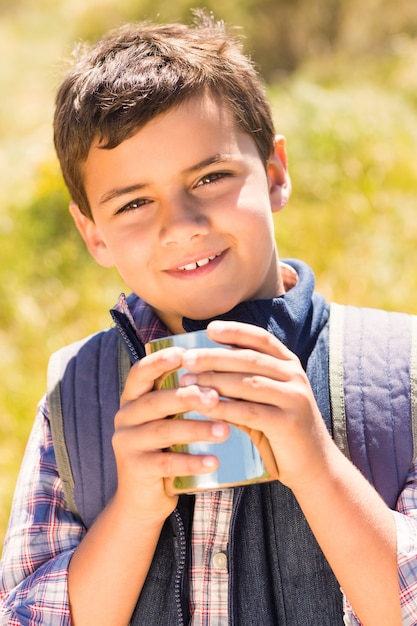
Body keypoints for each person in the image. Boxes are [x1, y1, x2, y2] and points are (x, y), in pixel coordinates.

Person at [0, 10, 416, 626]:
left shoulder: (400, 370)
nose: (181, 227)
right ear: (93, 233)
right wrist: (135, 509)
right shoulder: (74, 396)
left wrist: (320, 471)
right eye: (134, 202)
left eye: (212, 176)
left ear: (274, 173)